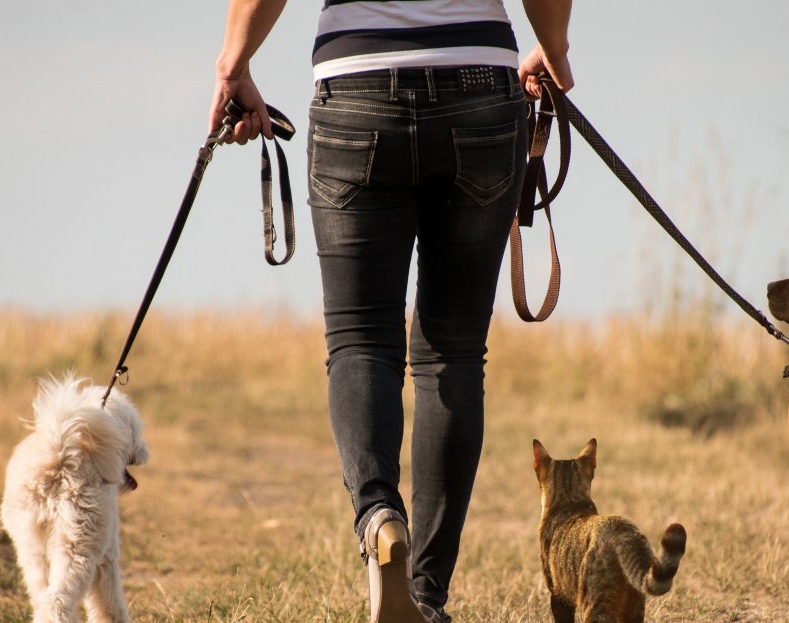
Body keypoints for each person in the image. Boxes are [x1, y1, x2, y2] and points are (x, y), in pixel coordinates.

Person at [209, 1, 573, 621]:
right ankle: (426, 596)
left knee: (360, 339)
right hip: (480, 85)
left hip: (356, 85)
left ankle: (379, 515)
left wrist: (233, 62)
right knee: (452, 352)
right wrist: (555, 47)